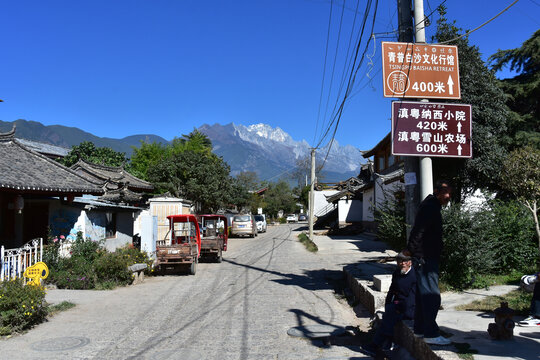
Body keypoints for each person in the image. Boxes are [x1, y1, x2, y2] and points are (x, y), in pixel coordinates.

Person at [403, 180, 452, 346]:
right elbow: (419, 230)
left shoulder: (431, 206)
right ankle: (430, 332)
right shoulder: (430, 207)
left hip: (425, 257)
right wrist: (410, 250)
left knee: (422, 295)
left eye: (450, 193)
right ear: (436, 191)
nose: (448, 196)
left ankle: (420, 329)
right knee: (432, 296)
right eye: (445, 192)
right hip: (425, 258)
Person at [361, 251, 417, 357]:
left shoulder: (414, 277)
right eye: (400, 261)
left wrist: (399, 308)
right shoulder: (397, 273)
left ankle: (376, 345)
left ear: (410, 263)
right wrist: (388, 304)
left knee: (390, 316)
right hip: (397, 304)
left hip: (409, 308)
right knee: (389, 312)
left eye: (405, 261)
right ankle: (386, 344)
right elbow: (392, 290)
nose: (402, 264)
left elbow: (411, 299)